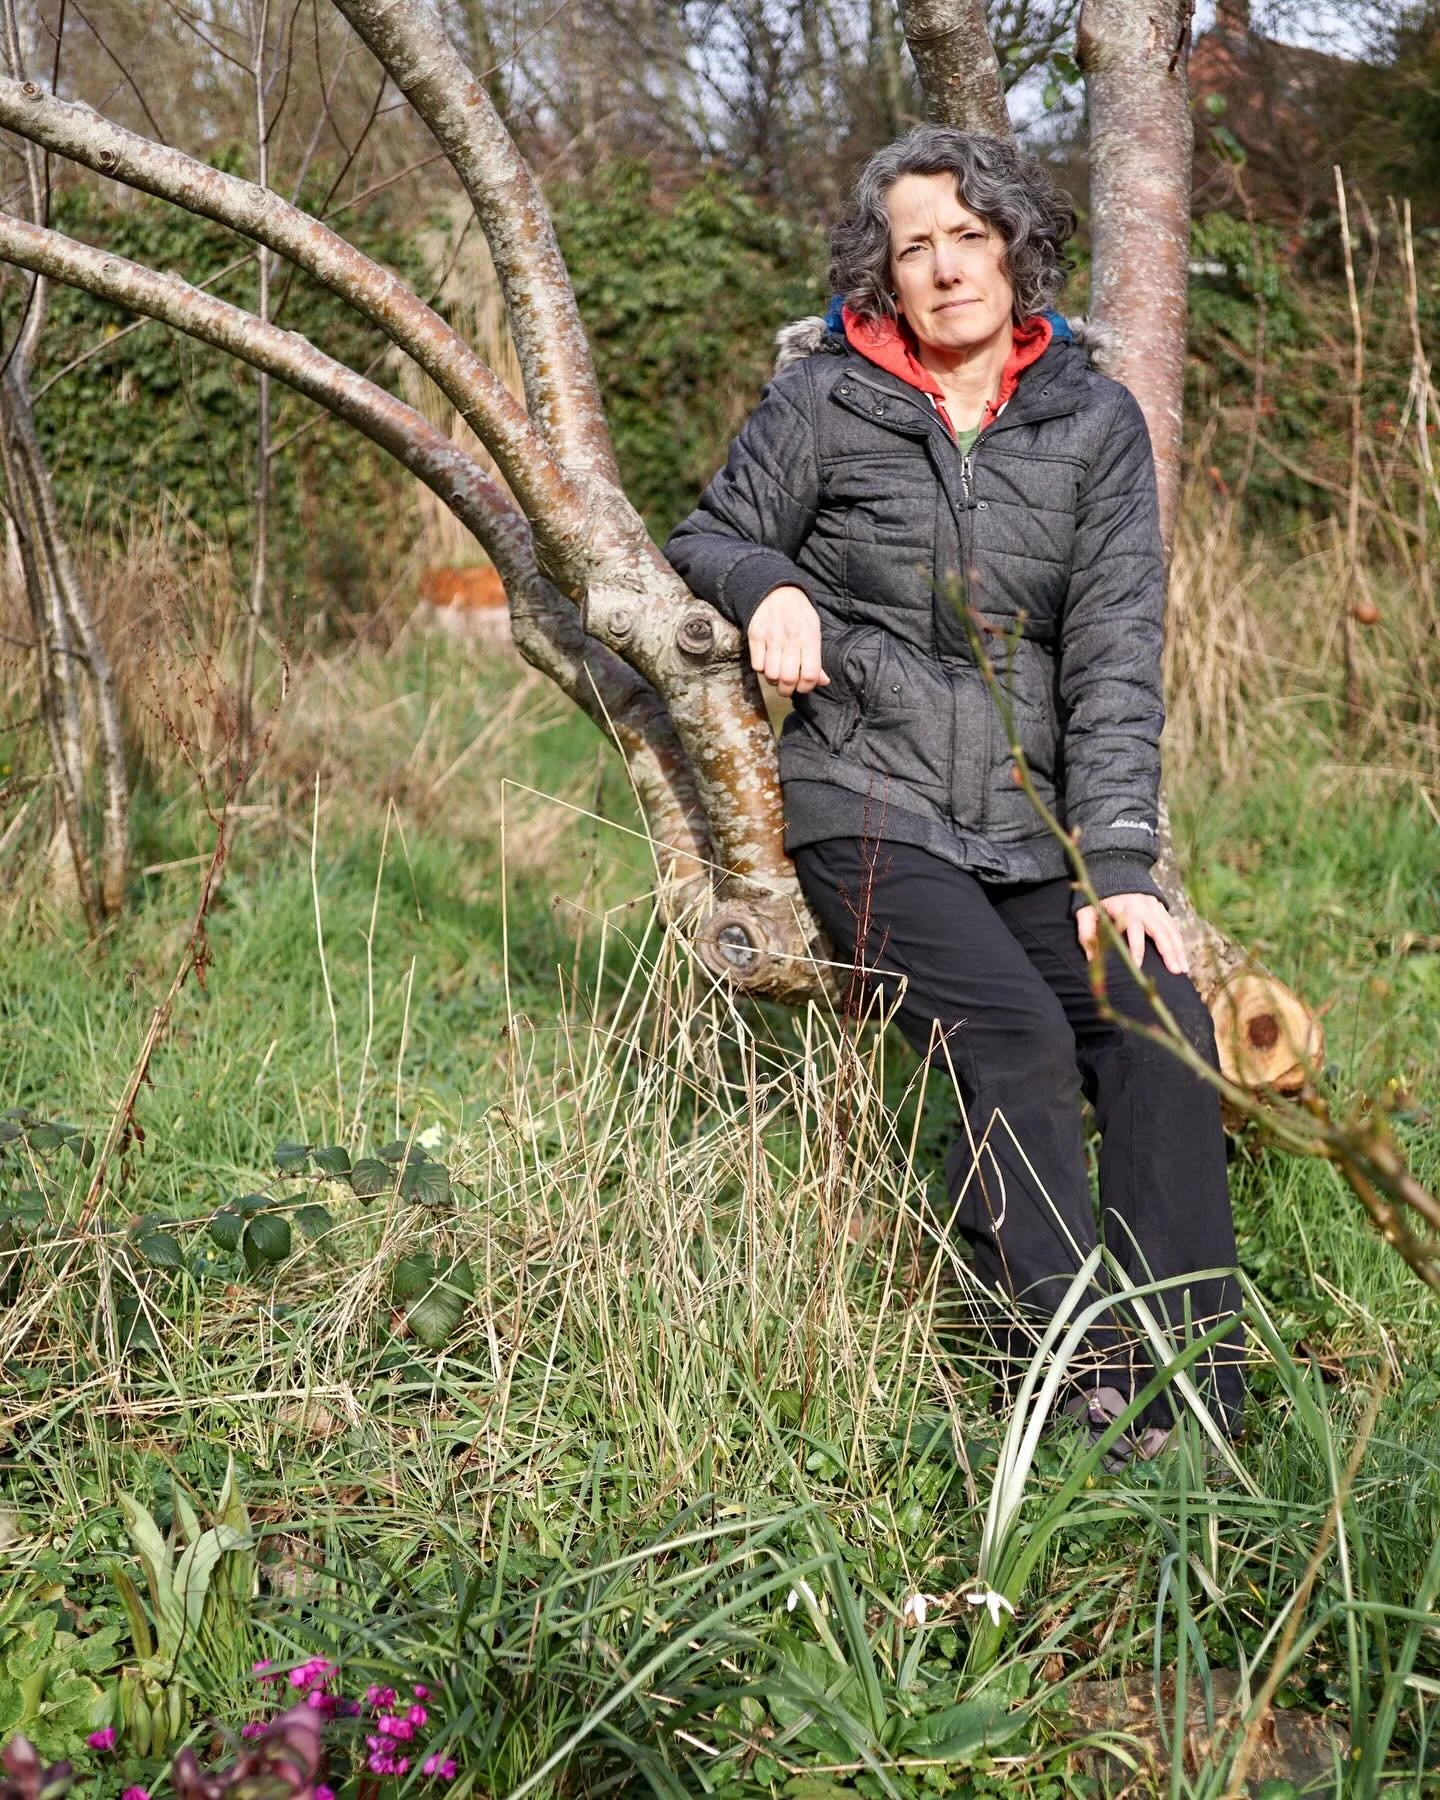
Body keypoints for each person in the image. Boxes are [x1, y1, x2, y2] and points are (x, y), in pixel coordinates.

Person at [665, 125, 1245, 1457]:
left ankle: (1190, 1386)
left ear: (1013, 249)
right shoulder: (826, 398)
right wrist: (773, 589)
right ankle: (1075, 1377)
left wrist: (1120, 868)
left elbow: (1112, 659)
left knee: (1157, 1019)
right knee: (1014, 1044)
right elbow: (710, 533)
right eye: (911, 245)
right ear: (881, 271)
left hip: (1035, 824)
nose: (942, 268)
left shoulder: (1092, 421)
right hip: (868, 799)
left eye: (966, 237)